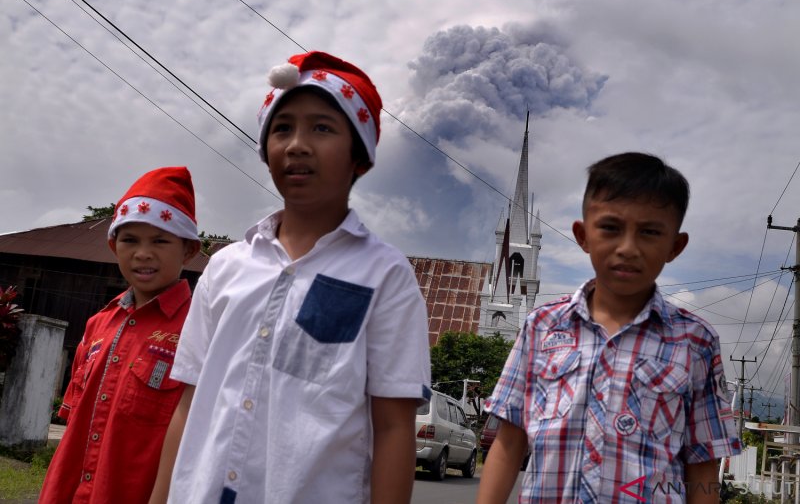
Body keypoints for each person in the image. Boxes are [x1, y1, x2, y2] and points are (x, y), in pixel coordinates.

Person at [150, 51, 431, 504]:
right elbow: (189, 404)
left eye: (322, 127)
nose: (297, 144)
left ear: (360, 156)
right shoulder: (225, 266)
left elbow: (394, 426)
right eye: (282, 129)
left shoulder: (386, 276)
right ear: (265, 151)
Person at [477, 152, 741, 503]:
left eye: (649, 232)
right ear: (583, 235)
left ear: (675, 247)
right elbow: (509, 445)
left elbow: (703, 465)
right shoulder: (541, 328)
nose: (628, 248)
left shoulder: (695, 342)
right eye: (611, 228)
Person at [39, 166, 202, 503]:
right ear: (114, 246)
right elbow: (74, 425)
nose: (143, 253)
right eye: (130, 240)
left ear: (188, 250)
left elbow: (198, 440)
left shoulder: (199, 329)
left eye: (160, 240)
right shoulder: (98, 324)